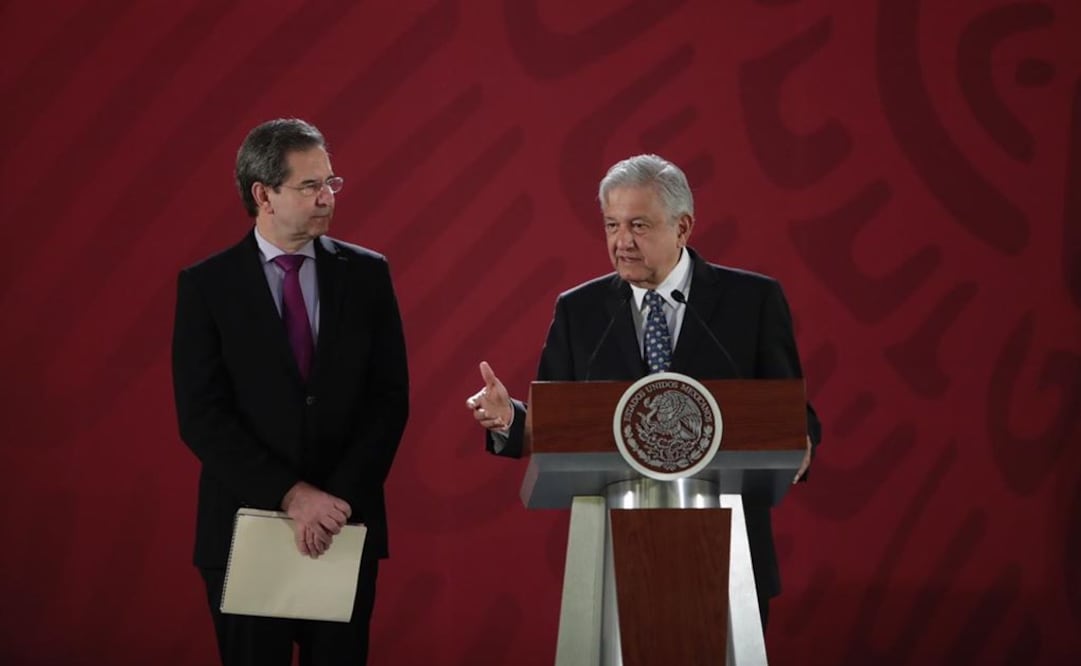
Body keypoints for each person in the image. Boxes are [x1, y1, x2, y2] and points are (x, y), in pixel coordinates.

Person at [466, 153, 821, 627]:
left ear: (683, 227)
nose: (622, 242)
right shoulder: (580, 310)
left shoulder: (751, 302)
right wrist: (510, 419)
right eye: (611, 225)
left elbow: (790, 412)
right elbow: (556, 423)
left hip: (729, 545)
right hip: (615, 549)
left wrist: (802, 439)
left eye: (638, 225)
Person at [172, 118, 409, 665]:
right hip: (245, 528)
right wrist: (292, 495)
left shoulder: (367, 275)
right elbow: (202, 416)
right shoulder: (208, 286)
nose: (327, 197)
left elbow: (389, 400)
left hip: (342, 527)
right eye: (310, 186)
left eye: (331, 183)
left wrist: (332, 505)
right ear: (263, 195)